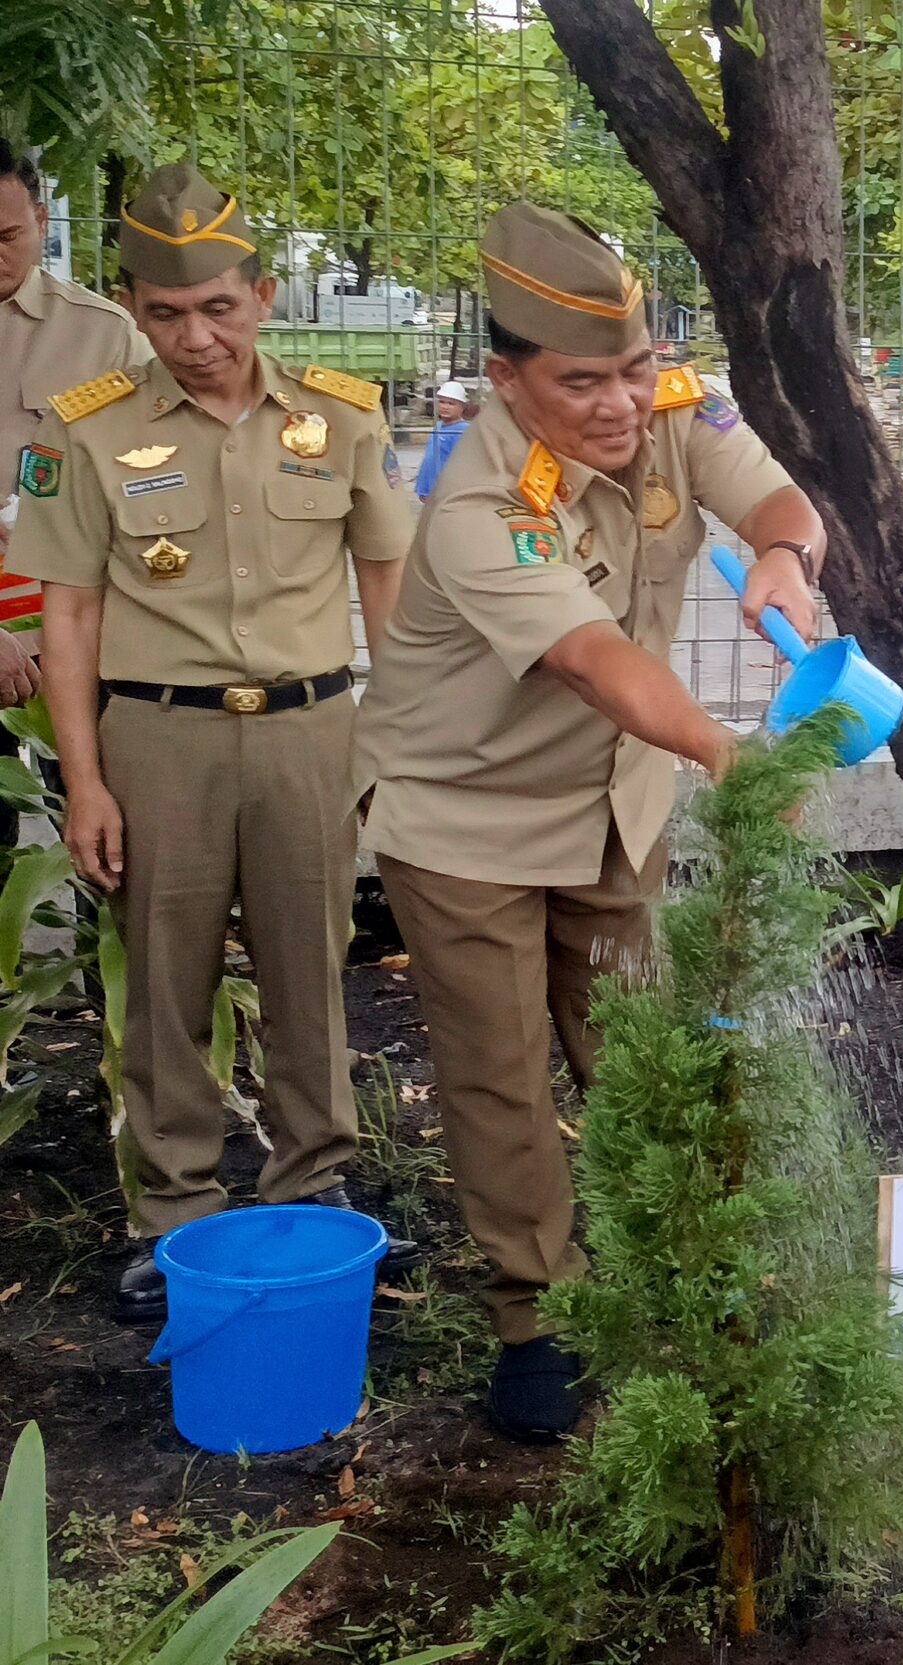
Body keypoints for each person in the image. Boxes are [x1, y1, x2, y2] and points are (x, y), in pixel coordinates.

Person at [356, 202, 824, 1442]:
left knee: (632, 1049)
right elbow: (594, 660)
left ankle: (663, 1271)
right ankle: (537, 1317)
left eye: (632, 369)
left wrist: (786, 557)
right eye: (581, 382)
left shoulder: (674, 405)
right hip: (464, 819)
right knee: (501, 1075)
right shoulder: (473, 500)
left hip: (613, 802)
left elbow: (776, 497)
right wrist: (730, 752)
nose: (620, 405)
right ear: (506, 378)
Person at [9, 163, 416, 1323]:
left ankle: (316, 1191)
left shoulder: (339, 415)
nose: (196, 336)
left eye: (220, 308)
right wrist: (83, 780)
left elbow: (384, 585)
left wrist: (389, 740)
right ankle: (173, 1216)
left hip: (309, 733)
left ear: (263, 292)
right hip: (160, 743)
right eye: (168, 312)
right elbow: (69, 612)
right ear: (133, 306)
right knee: (165, 988)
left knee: (310, 980)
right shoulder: (88, 430)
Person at [0, 138, 148, 846]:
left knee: (104, 833)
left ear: (39, 216)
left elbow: (156, 480)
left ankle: (100, 957)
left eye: (6, 235)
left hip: (80, 625)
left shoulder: (104, 338)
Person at [413, 379, 472, 501]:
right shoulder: (439, 426)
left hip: (445, 491)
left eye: (451, 403)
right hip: (429, 487)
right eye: (442, 402)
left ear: (462, 407)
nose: (445, 407)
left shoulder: (462, 431)